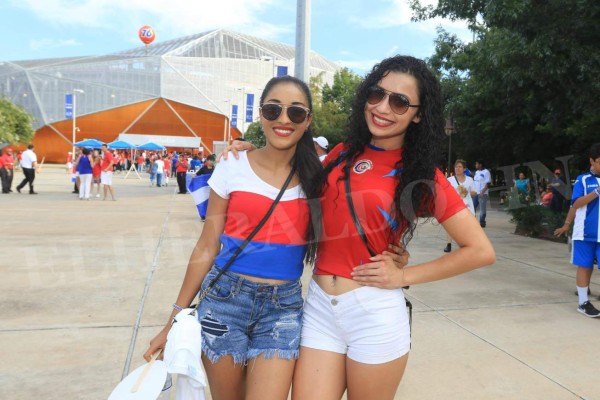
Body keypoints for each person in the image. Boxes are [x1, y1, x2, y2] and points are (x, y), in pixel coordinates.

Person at [224, 56, 495, 399]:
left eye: (399, 102)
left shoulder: (423, 174)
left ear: (419, 114)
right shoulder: (339, 154)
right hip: (321, 307)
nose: (382, 107)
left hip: (375, 312)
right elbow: (281, 168)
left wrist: (403, 276)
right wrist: (248, 151)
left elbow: (480, 251)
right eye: (376, 94)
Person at [144, 75, 325, 399]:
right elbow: (207, 244)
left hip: (282, 308)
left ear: (308, 119)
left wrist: (395, 253)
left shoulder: (318, 176)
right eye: (273, 110)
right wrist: (173, 320)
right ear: (261, 114)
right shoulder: (232, 165)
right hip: (225, 302)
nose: (284, 119)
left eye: (296, 112)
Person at [553, 143, 600, 317]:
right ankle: (583, 302)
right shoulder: (583, 179)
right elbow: (576, 203)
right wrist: (596, 192)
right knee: (585, 266)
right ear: (592, 161)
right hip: (585, 232)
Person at [444, 159, 477, 252]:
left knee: (466, 225)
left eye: (460, 167)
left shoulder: (470, 180)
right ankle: (449, 244)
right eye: (456, 167)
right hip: (453, 205)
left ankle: (466, 244)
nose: (457, 168)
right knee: (451, 225)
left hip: (467, 206)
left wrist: (467, 192)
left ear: (464, 169)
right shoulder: (449, 180)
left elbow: (475, 192)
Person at [472, 160, 491, 227]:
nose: (475, 165)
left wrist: (482, 192)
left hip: (482, 194)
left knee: (482, 210)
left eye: (476, 164)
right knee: (472, 208)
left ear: (480, 164)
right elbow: (475, 182)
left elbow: (488, 184)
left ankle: (482, 222)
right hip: (475, 193)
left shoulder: (486, 172)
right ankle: (472, 221)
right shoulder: (477, 172)